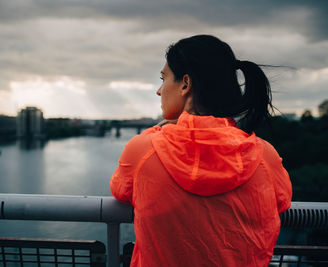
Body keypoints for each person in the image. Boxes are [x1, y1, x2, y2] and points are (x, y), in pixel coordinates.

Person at [110, 35, 292, 267]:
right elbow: (283, 201)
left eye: (163, 78)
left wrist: (159, 129)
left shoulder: (144, 150)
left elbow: (121, 190)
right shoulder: (264, 156)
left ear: (185, 84)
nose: (159, 90)